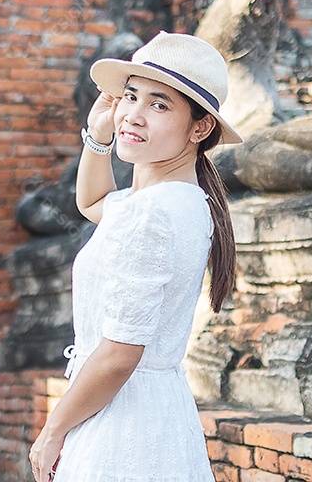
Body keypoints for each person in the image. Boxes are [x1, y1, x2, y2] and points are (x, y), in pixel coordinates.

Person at [29, 31, 242, 482]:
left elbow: (119, 355)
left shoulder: (155, 213)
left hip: (120, 422)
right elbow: (92, 204)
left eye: (159, 104)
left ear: (200, 128)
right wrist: (98, 134)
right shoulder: (177, 201)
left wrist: (52, 431)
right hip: (146, 412)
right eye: (130, 96)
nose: (134, 115)